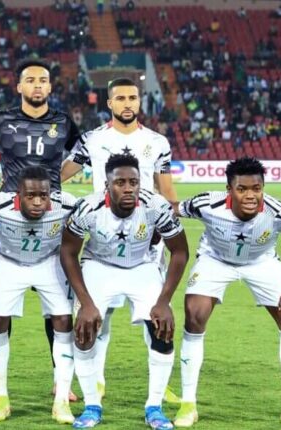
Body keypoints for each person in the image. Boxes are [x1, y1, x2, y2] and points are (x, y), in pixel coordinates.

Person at [172, 157, 281, 430]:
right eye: (242, 189)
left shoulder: (279, 212)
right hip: (215, 260)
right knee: (194, 315)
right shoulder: (207, 204)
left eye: (257, 188)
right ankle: (188, 405)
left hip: (261, 262)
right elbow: (172, 210)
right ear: (229, 189)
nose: (251, 195)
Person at [0, 57, 84, 401]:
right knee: (2, 308)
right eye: (30, 80)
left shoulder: (63, 121)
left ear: (50, 86)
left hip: (51, 215)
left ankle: (60, 378)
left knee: (57, 309)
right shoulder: (2, 118)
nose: (37, 85)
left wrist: (55, 181)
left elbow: (83, 152)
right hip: (9, 216)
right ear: (19, 86)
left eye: (43, 80)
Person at [61, 77, 179, 402]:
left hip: (148, 237)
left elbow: (166, 187)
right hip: (104, 234)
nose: (128, 103)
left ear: (139, 101)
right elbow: (64, 173)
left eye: (133, 98)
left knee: (154, 313)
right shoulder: (92, 140)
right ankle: (97, 381)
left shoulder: (157, 142)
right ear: (109, 103)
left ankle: (161, 383)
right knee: (101, 313)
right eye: (121, 98)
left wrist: (170, 219)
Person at [60, 154, 189, 429]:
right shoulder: (88, 207)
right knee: (84, 331)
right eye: (120, 183)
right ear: (107, 185)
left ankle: (154, 407)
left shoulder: (155, 205)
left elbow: (180, 252)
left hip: (142, 266)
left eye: (134, 182)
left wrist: (164, 301)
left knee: (163, 328)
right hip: (99, 265)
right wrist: (85, 302)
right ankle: (92, 405)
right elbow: (68, 252)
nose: (128, 188)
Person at [0, 166, 78, 423]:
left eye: (43, 196)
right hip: (8, 262)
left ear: (50, 194)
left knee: (63, 320)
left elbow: (94, 211)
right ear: (18, 195)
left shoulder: (66, 204)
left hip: (48, 262)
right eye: (30, 196)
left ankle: (61, 400)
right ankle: (1, 396)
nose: (37, 202)